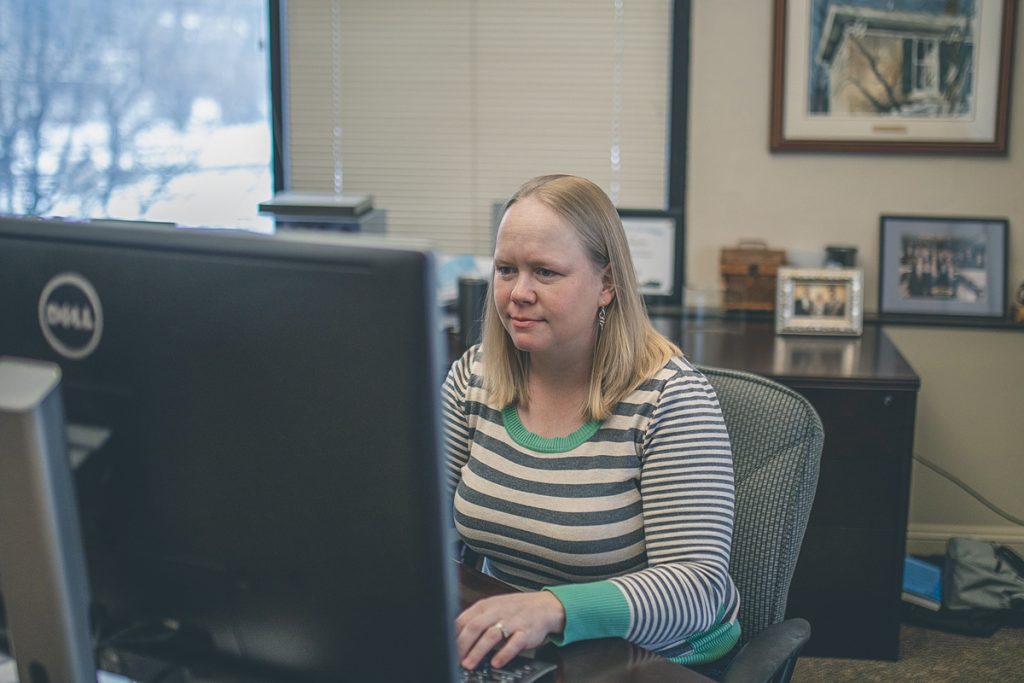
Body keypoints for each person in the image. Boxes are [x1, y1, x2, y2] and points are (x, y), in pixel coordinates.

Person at [442, 175, 740, 672]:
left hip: (652, 654)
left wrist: (552, 608)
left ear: (606, 284)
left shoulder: (671, 399)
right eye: (506, 269)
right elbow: (419, 519)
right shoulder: (476, 376)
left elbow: (698, 588)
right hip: (520, 641)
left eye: (546, 272)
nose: (519, 293)